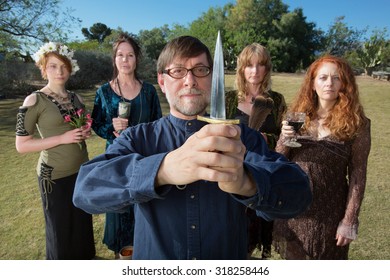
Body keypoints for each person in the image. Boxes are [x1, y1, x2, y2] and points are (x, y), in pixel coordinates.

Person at [73, 35, 312, 260]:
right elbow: (86, 190)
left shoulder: (242, 138)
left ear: (211, 78)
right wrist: (163, 170)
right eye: (177, 71)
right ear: (162, 81)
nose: (190, 80)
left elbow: (299, 194)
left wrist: (248, 183)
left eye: (200, 70)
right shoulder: (138, 138)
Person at [273, 55, 371, 260]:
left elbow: (358, 174)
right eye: (323, 77)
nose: (329, 83)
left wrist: (350, 219)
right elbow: (277, 162)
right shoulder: (296, 117)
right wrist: (284, 137)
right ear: (313, 83)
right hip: (294, 209)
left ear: (345, 83)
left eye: (336, 78)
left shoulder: (357, 124)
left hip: (331, 214)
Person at [15, 42, 95, 259]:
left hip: (81, 171)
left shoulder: (76, 98)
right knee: (60, 231)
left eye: (63, 66)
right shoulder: (34, 99)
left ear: (70, 69)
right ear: (43, 69)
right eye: (52, 66)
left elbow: (82, 127)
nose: (59, 71)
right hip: (54, 176)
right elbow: (22, 145)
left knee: (81, 225)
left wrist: (84, 132)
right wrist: (62, 138)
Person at [91, 33, 162, 259]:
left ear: (136, 59)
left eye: (130, 55)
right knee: (119, 210)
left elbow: (158, 124)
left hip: (144, 159)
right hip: (116, 161)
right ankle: (121, 258)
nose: (125, 60)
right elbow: (96, 123)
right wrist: (110, 128)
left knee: (145, 211)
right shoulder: (103, 92)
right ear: (114, 59)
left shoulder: (149, 91)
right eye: (120, 55)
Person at [226, 43, 286, 259]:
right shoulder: (229, 99)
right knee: (235, 237)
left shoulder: (276, 100)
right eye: (249, 65)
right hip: (233, 175)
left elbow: (284, 138)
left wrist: (264, 139)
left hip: (265, 176)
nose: (255, 70)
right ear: (242, 69)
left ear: (267, 68)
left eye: (260, 65)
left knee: (259, 232)